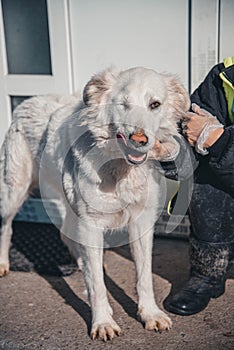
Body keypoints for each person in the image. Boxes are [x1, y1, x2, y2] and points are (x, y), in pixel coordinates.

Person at [161, 56, 234, 315]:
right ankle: (208, 274)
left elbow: (217, 140)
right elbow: (190, 130)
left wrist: (220, 140)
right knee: (204, 181)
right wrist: (170, 152)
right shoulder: (224, 75)